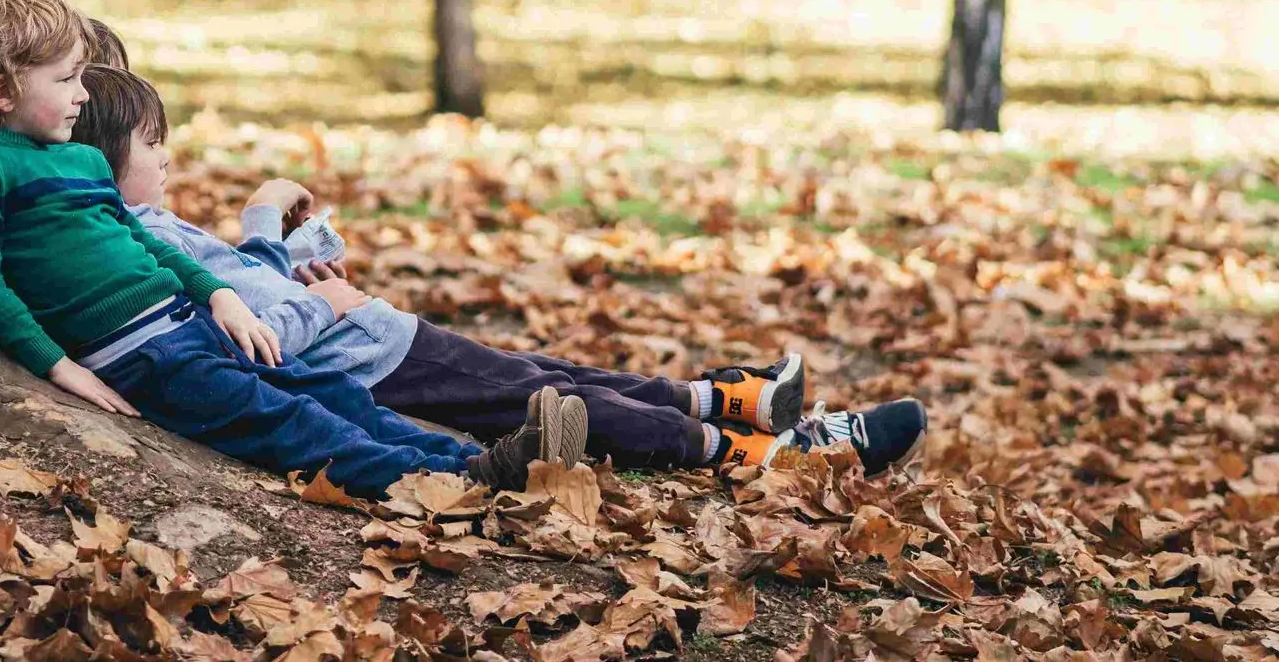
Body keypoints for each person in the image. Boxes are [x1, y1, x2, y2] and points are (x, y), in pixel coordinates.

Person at [70, 53, 932, 479]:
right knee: (556, 402)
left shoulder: (143, 221)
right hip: (371, 360)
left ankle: (728, 396)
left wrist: (292, 255)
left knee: (552, 372)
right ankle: (766, 454)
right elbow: (255, 328)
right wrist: (305, 278)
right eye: (154, 145)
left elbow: (250, 292)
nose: (168, 160)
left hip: (377, 337)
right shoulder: (137, 234)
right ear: (104, 156)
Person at [0, 0, 590, 499]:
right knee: (293, 424)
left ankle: (481, 461)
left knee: (334, 395)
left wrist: (219, 294)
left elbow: (145, 242)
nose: (83, 94)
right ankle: (451, 486)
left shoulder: (79, 161)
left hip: (192, 323)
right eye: (66, 79)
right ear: (3, 88)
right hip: (143, 357)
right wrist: (57, 364)